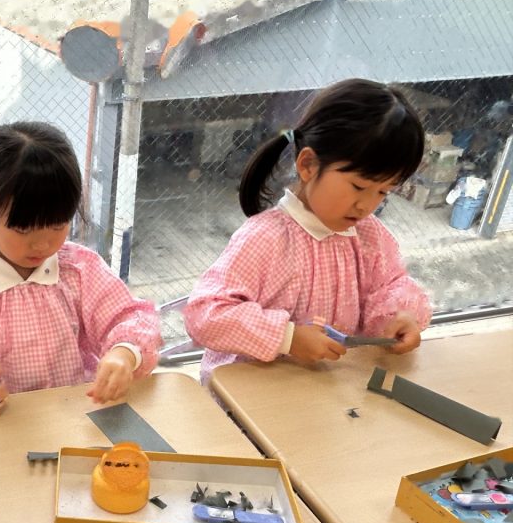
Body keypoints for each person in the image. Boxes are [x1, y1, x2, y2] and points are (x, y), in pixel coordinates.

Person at [184, 78, 432, 381]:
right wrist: (287, 338)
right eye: (358, 186)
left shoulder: (369, 236)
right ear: (308, 165)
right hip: (252, 391)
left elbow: (392, 285)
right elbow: (204, 314)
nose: (366, 206)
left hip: (327, 386)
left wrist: (399, 317)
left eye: (383, 192)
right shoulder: (266, 239)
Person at [0, 121, 162, 414]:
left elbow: (130, 318)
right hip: (3, 424)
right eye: (23, 229)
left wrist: (124, 353)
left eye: (58, 225)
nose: (43, 244)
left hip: (76, 414)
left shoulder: (80, 269)